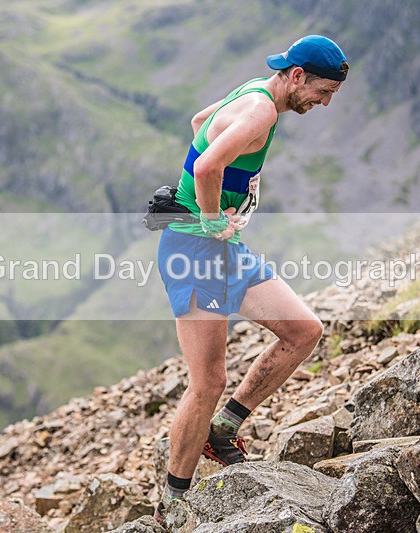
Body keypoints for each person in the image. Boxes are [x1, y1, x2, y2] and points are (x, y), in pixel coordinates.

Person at [154, 35, 349, 524]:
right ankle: (173, 501)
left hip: (223, 248)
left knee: (304, 330)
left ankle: (224, 429)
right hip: (197, 249)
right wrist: (213, 218)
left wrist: (216, 219)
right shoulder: (261, 111)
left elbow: (201, 123)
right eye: (322, 92)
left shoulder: (254, 90)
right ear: (298, 76)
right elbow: (206, 164)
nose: (324, 104)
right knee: (207, 381)